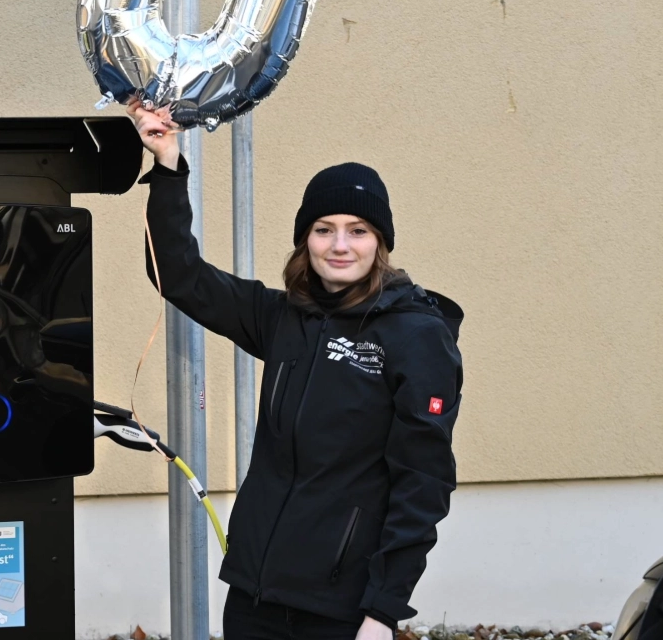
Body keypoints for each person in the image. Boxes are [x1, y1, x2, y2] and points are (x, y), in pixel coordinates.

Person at [127, 103, 464, 639]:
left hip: (340, 607)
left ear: (380, 243)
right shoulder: (285, 318)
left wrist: (383, 611)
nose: (340, 245)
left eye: (358, 231)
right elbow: (179, 274)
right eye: (324, 229)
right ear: (305, 239)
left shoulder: (416, 337)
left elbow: (422, 484)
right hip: (254, 594)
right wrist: (169, 164)